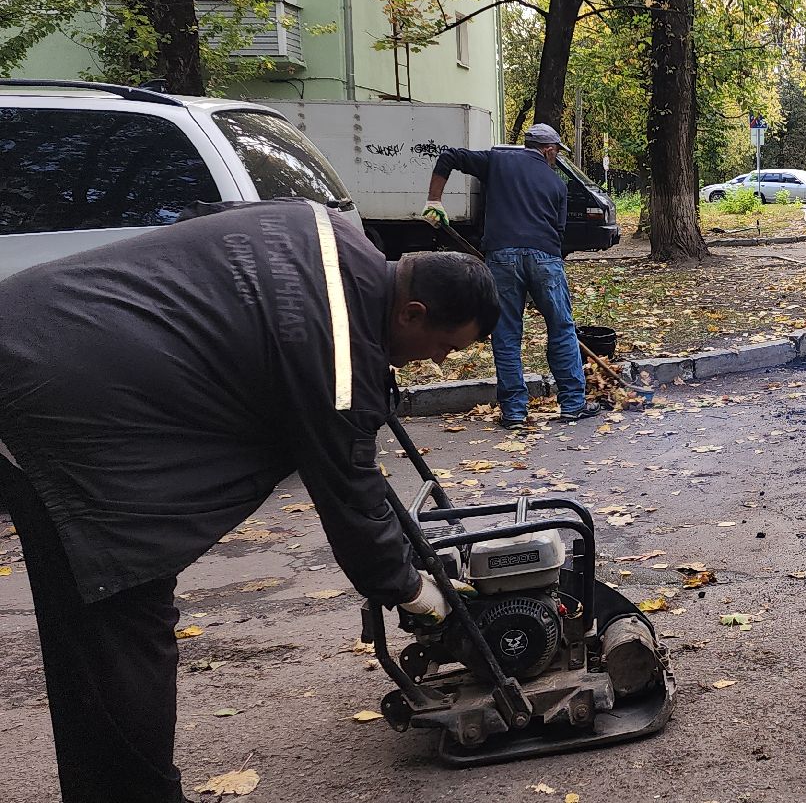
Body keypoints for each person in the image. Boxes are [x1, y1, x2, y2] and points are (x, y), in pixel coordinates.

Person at [0, 201, 493, 803]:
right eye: (443, 347)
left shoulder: (323, 227)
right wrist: (417, 593)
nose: (438, 363)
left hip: (36, 321)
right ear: (413, 313)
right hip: (55, 404)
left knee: (109, 625)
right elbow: (351, 498)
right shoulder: (336, 357)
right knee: (120, 617)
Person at [425, 123, 603, 428]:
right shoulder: (557, 184)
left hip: (502, 258)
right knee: (561, 329)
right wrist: (540, 283)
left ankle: (515, 413)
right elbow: (558, 234)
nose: (555, 158)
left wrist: (434, 201)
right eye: (556, 153)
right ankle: (573, 404)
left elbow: (448, 157)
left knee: (506, 334)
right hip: (546, 260)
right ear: (548, 150)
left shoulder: (496, 161)